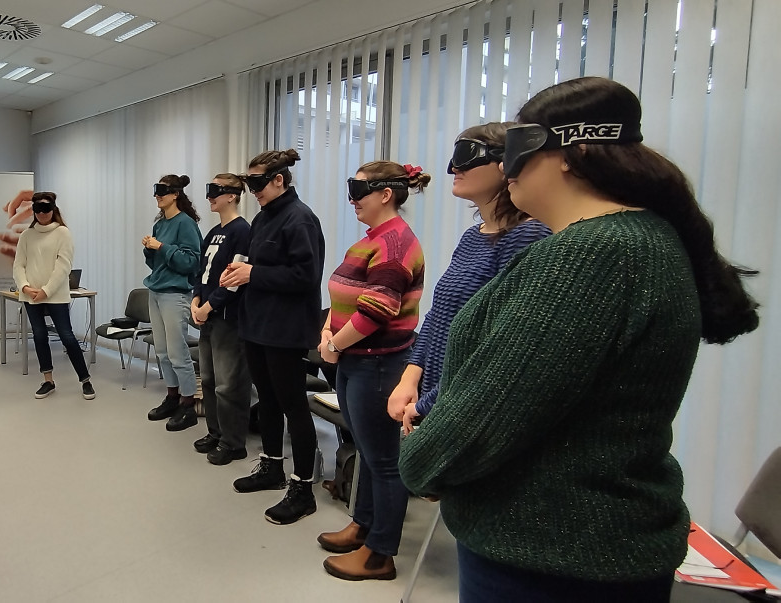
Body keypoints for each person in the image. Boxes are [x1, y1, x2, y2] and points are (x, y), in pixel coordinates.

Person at [399, 76, 759, 603]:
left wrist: (420, 459)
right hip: (589, 546)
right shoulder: (640, 239)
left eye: (519, 150)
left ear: (571, 152)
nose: (505, 168)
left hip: (552, 556)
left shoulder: (593, 255)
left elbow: (490, 412)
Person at [386, 124, 551, 434]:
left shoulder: (527, 236)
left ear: (507, 164)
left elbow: (495, 345)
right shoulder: (472, 238)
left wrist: (426, 406)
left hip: (463, 407)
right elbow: (439, 316)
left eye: (466, 155)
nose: (453, 168)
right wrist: (410, 376)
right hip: (437, 397)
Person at [313, 161, 430, 580]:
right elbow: (345, 296)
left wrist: (331, 344)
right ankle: (362, 527)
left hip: (378, 364)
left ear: (385, 194)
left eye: (359, 190)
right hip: (355, 361)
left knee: (384, 461)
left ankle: (381, 554)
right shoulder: (372, 239)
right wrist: (330, 328)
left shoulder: (396, 243)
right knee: (366, 451)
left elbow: (378, 310)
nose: (352, 200)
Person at [220, 149, 325, 526]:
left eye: (259, 183)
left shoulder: (301, 220)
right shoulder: (264, 218)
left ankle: (303, 488)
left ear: (280, 180)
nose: (254, 191)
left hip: (285, 329)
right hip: (257, 324)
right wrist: (241, 268)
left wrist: (254, 275)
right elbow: (262, 265)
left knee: (292, 404)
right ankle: (272, 467)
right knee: (266, 401)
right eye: (249, 184)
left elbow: (304, 277)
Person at [190, 174, 252, 465]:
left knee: (229, 384)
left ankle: (233, 442)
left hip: (227, 318)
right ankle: (215, 432)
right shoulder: (213, 231)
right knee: (211, 379)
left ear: (232, 195)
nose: (209, 197)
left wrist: (210, 305)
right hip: (207, 316)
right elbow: (203, 272)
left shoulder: (242, 231)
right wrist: (196, 299)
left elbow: (235, 279)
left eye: (215, 191)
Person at [12, 192, 95, 400]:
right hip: (31, 295)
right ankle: (48, 380)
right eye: (37, 210)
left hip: (55, 295)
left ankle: (85, 380)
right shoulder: (27, 235)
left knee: (67, 337)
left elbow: (63, 266)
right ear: (33, 211)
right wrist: (24, 287)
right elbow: (18, 265)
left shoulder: (63, 233)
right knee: (39, 336)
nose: (42, 213)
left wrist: (46, 291)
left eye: (46, 209)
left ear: (53, 209)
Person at [142, 174, 203, 432]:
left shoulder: (185, 224)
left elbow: (192, 262)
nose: (157, 195)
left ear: (175, 193)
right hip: (156, 292)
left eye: (162, 190)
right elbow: (156, 263)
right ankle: (172, 396)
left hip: (175, 294)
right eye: (156, 190)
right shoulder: (160, 225)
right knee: (163, 352)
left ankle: (188, 405)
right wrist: (150, 249)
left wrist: (162, 247)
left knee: (178, 354)